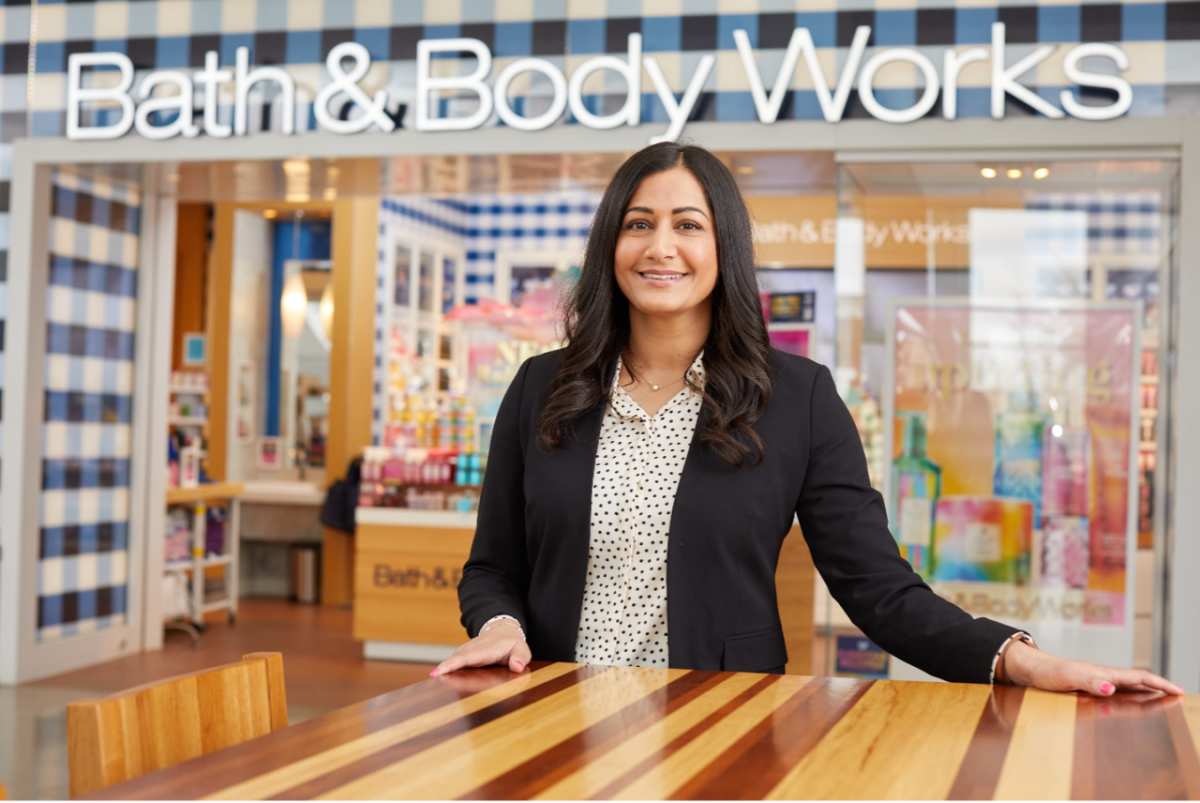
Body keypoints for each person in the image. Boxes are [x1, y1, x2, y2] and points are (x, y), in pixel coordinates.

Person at [434, 142, 1182, 697]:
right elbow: (493, 567)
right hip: (555, 713)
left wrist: (1019, 656)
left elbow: (878, 588)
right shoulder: (543, 387)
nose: (662, 247)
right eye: (639, 224)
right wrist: (500, 626)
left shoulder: (798, 398)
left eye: (688, 225)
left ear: (725, 245)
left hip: (723, 716)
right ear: (611, 245)